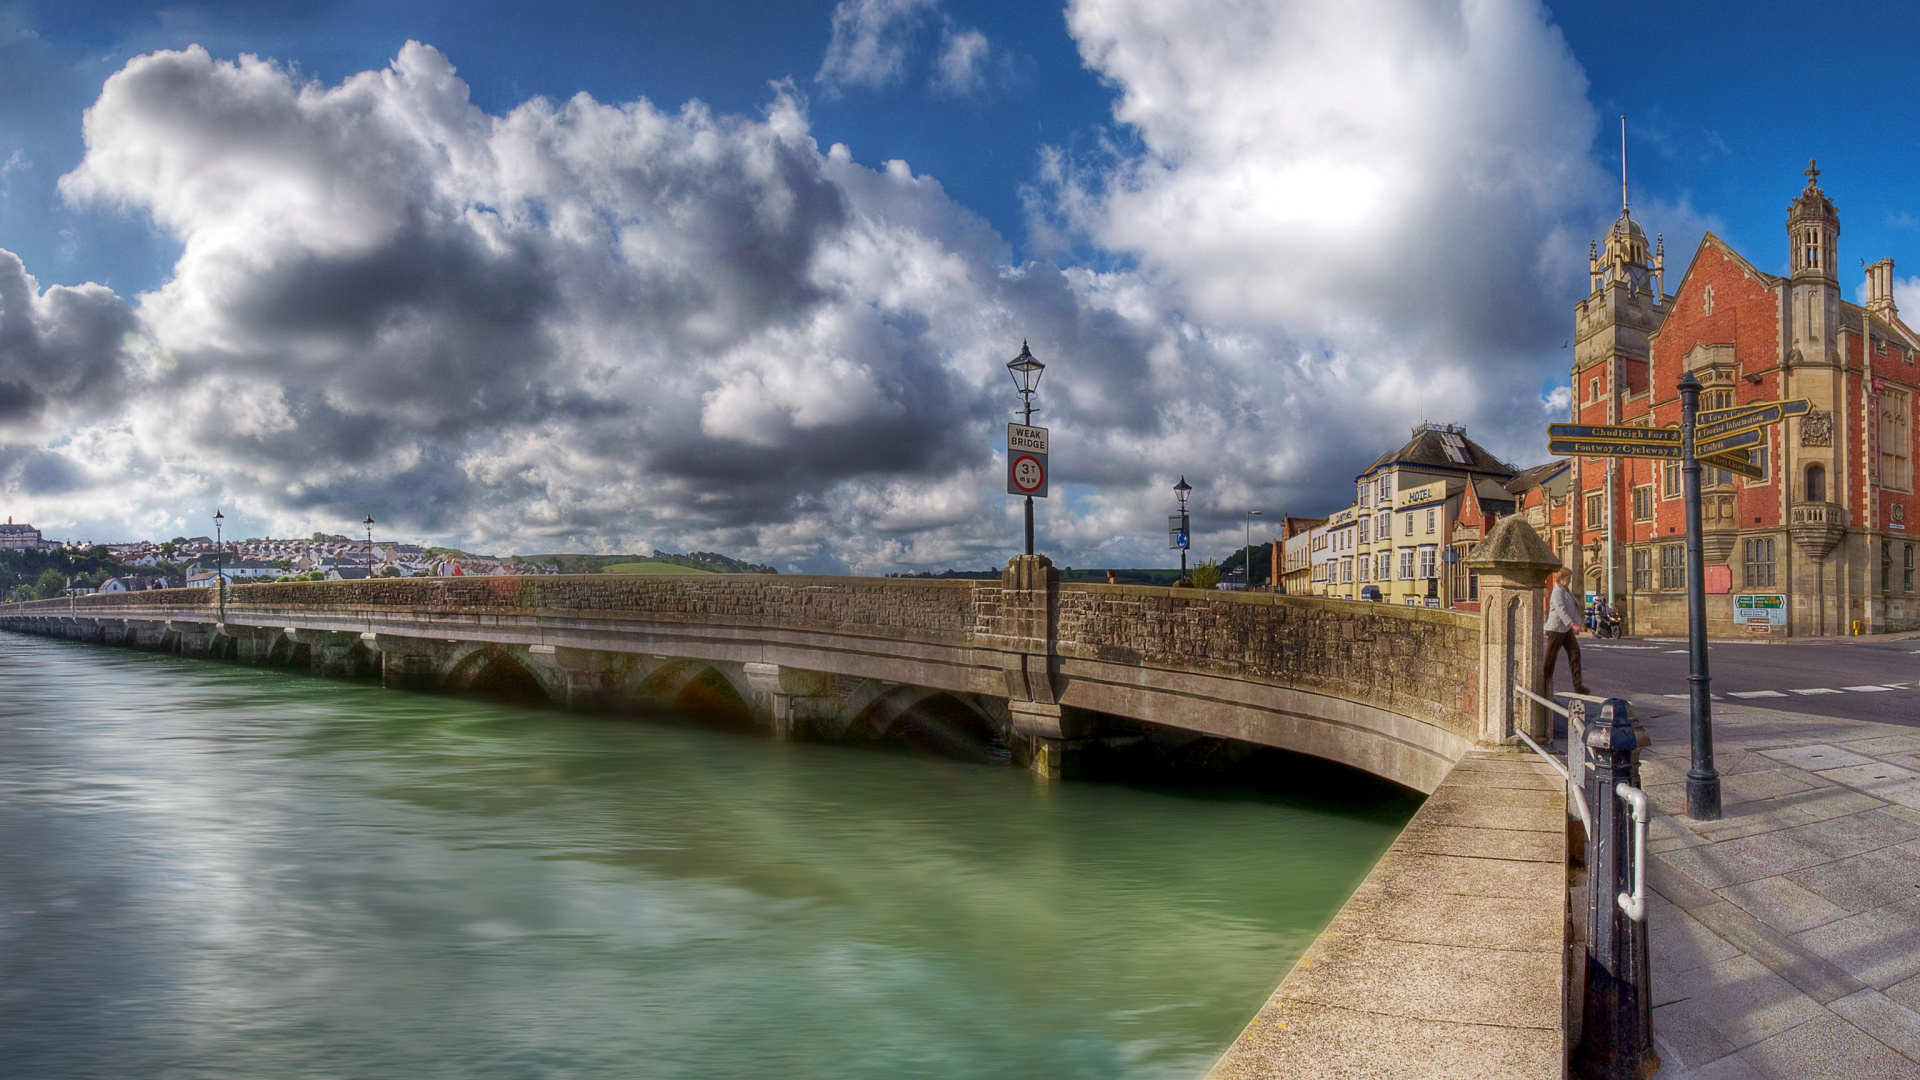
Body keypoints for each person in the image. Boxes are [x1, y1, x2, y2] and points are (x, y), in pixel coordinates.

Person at [1543, 568, 1591, 695]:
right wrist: (1573, 624)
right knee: (1550, 658)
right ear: (1561, 579)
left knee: (1575, 654)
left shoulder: (1566, 591)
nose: (1570, 581)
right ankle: (1544, 684)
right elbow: (1560, 610)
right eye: (1568, 578)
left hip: (1566, 629)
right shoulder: (1557, 592)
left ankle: (1578, 686)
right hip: (1557, 629)